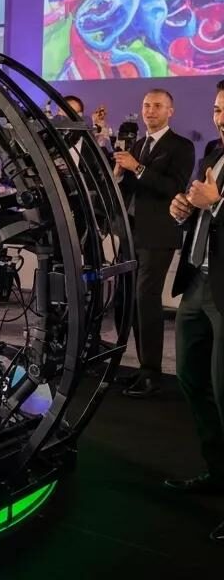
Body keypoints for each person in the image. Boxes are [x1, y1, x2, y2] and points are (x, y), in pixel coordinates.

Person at [168, 80, 224, 542]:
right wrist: (185, 210)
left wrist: (218, 205)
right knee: (192, 380)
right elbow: (202, 211)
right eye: (217, 108)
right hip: (197, 283)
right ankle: (217, 470)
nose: (219, 117)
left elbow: (218, 208)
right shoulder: (213, 157)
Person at [114, 88, 195, 398]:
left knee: (146, 299)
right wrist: (119, 174)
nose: (150, 111)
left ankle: (152, 373)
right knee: (130, 300)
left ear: (170, 111)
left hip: (159, 235)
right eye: (146, 105)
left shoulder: (181, 146)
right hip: (131, 232)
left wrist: (137, 167)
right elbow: (129, 190)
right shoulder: (137, 144)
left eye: (158, 106)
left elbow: (172, 186)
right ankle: (141, 368)